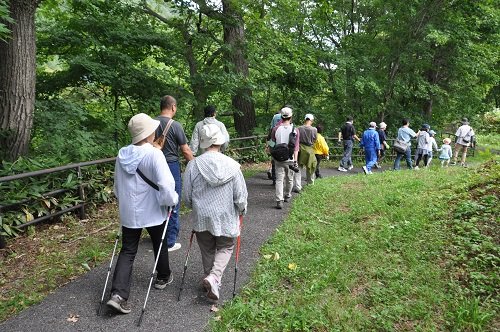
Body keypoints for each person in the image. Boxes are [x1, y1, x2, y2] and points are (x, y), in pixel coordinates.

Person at [107, 113, 179, 314]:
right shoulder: (154, 154)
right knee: (159, 240)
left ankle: (118, 295)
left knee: (128, 250)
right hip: (153, 208)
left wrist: (124, 203)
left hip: (130, 210)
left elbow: (116, 186)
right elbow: (166, 184)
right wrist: (171, 201)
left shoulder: (122, 154)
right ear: (149, 133)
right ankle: (163, 277)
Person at [182, 124, 248, 302]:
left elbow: (186, 196)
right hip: (226, 215)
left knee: (207, 248)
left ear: (203, 143)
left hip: (202, 216)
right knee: (226, 246)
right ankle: (214, 277)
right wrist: (242, 209)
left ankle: (210, 278)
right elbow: (240, 196)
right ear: (220, 141)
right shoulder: (233, 166)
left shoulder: (193, 165)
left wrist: (194, 206)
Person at [155, 95, 194, 252]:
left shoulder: (151, 123)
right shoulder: (175, 125)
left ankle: (157, 236)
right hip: (170, 165)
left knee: (156, 199)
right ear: (173, 107)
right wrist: (195, 164)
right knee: (173, 200)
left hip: (153, 165)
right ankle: (170, 240)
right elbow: (185, 150)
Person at [270, 107, 300, 209]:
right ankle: (287, 195)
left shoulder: (275, 129)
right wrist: (295, 160)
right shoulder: (295, 130)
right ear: (291, 116)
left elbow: (272, 143)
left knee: (279, 179)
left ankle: (279, 200)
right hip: (290, 158)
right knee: (289, 179)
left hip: (278, 158)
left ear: (281, 117)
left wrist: (271, 154)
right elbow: (296, 147)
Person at [295, 114, 317, 192]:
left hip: (300, 149)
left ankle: (298, 186)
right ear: (311, 120)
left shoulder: (299, 128)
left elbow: (295, 139)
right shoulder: (314, 129)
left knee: (298, 167)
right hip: (309, 150)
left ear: (305, 119)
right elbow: (315, 140)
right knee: (310, 166)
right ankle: (310, 184)